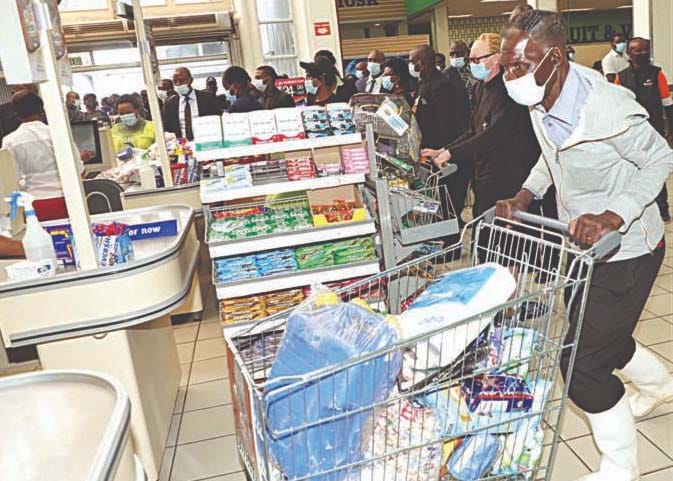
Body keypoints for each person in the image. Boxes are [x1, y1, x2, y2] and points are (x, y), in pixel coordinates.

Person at [499, 8, 673, 481]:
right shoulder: (540, 98)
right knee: (595, 336)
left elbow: (660, 159)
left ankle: (621, 468)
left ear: (554, 57)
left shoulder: (608, 106)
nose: (509, 77)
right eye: (505, 66)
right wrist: (525, 194)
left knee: (581, 365)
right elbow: (550, 156)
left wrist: (613, 213)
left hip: (629, 250)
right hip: (579, 247)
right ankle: (659, 386)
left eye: (518, 66)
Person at [422, 32, 540, 224]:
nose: (471, 64)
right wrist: (443, 150)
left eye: (476, 59)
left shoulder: (508, 90)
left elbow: (493, 134)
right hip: (483, 174)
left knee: (509, 241)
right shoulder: (479, 88)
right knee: (483, 232)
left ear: (495, 59)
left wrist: (452, 154)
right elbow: (471, 130)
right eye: (470, 59)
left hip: (508, 176)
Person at [615, 37, 673, 223]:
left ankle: (663, 209)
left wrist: (670, 130)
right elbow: (614, 105)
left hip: (654, 131)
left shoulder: (657, 74)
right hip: (629, 133)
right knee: (632, 171)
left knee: (656, 169)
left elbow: (667, 103)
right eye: (637, 50)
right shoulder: (621, 77)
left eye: (644, 50)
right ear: (629, 54)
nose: (641, 53)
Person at [2, 92, 89, 215]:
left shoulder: (10, 141)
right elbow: (79, 169)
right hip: (68, 200)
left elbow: (11, 180)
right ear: (41, 110)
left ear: (16, 114)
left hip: (33, 204)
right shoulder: (59, 134)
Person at [410, 44, 462, 150]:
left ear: (423, 62)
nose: (411, 65)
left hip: (437, 148)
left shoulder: (441, 85)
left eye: (412, 62)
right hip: (423, 144)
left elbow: (446, 124)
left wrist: (439, 151)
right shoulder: (422, 83)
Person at [163, 67, 221, 140]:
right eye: (175, 82)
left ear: (190, 80)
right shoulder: (170, 103)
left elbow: (217, 121)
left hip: (205, 141)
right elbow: (167, 127)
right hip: (182, 146)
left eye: (181, 80)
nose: (178, 84)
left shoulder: (208, 98)